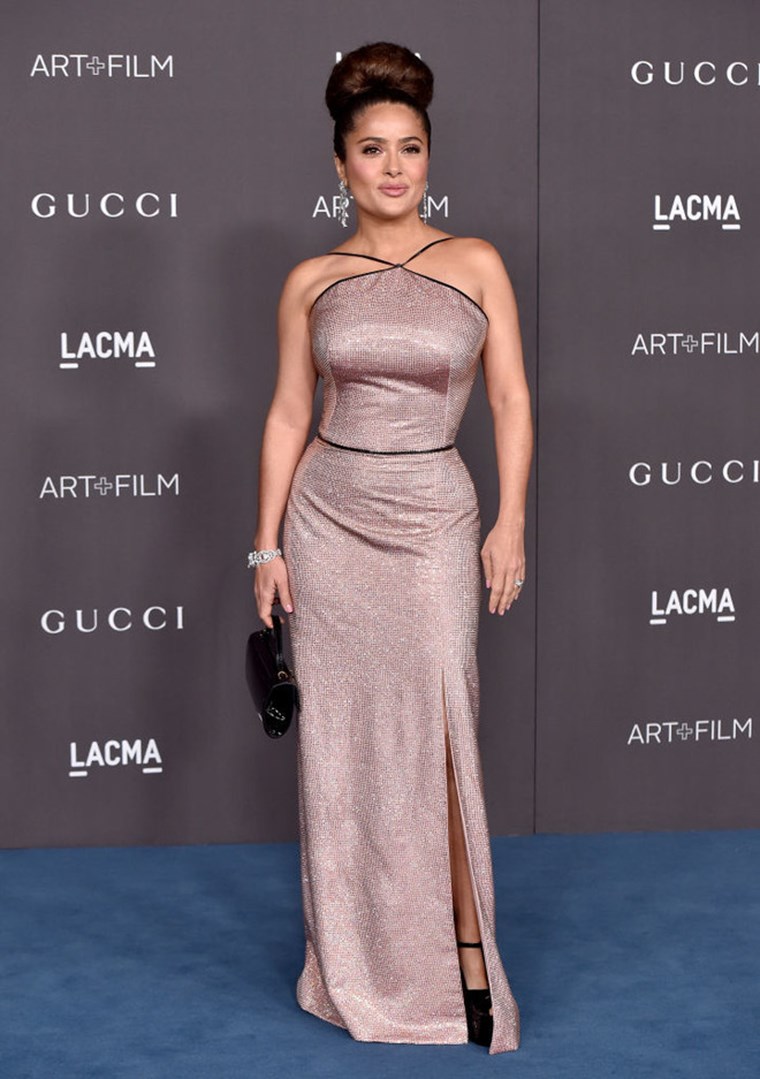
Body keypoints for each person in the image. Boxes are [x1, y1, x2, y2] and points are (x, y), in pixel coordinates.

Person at [250, 41, 531, 1054]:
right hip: (329, 521)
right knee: (345, 751)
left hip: (434, 519)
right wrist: (265, 546)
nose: (393, 166)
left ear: (428, 156)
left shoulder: (476, 262)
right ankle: (359, 960)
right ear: (341, 165)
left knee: (442, 732)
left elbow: (509, 398)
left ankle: (465, 953)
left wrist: (511, 518)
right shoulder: (311, 280)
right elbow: (289, 414)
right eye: (372, 149)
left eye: (409, 147)